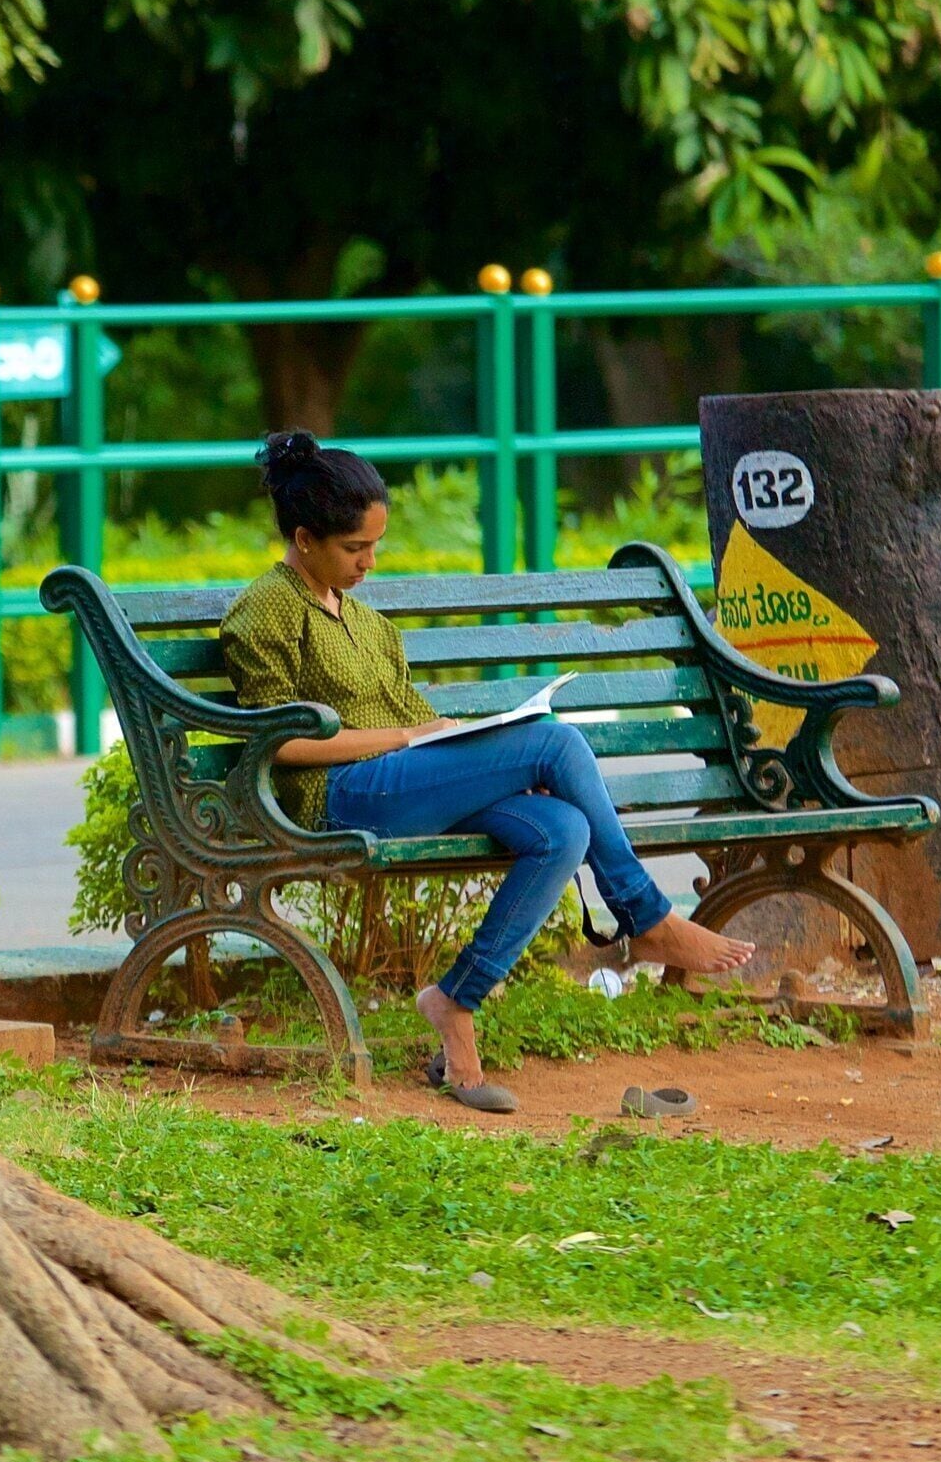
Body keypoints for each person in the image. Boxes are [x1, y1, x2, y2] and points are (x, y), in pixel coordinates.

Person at [221, 430, 753, 1113]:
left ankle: (454, 1002)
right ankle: (646, 918)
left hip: (406, 781)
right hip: (336, 795)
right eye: (355, 549)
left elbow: (416, 720)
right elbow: (278, 745)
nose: (369, 563)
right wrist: (410, 734)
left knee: (560, 828)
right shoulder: (264, 613)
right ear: (303, 538)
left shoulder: (365, 620)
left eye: (374, 546)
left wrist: (474, 753)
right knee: (556, 745)